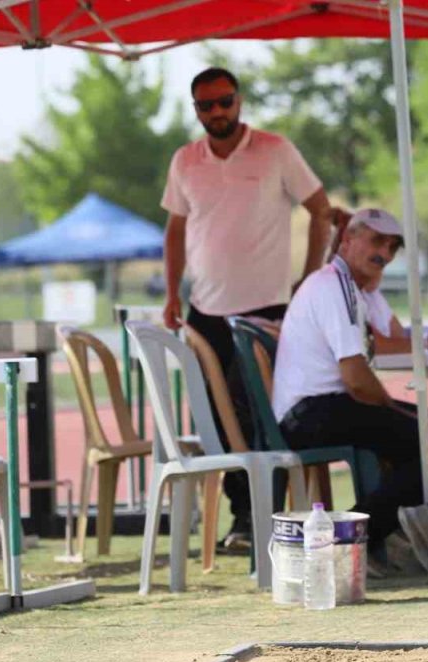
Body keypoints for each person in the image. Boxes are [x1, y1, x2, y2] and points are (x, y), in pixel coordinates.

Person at [160, 66, 341, 550]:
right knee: (219, 422)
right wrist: (171, 292)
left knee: (268, 416)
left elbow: (321, 210)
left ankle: (271, 520)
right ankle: (245, 521)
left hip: (269, 310)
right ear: (196, 109)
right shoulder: (185, 160)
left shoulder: (275, 149)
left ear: (239, 101)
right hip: (205, 313)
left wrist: (309, 279)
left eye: (224, 102)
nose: (216, 112)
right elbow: (176, 229)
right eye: (206, 105)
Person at [271, 208, 428, 567]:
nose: (385, 253)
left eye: (393, 247)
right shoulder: (337, 287)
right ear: (347, 240)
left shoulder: (345, 286)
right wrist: (404, 411)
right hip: (313, 411)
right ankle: (345, 543)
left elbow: (378, 355)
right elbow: (357, 380)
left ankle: (377, 540)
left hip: (318, 407)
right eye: (377, 241)